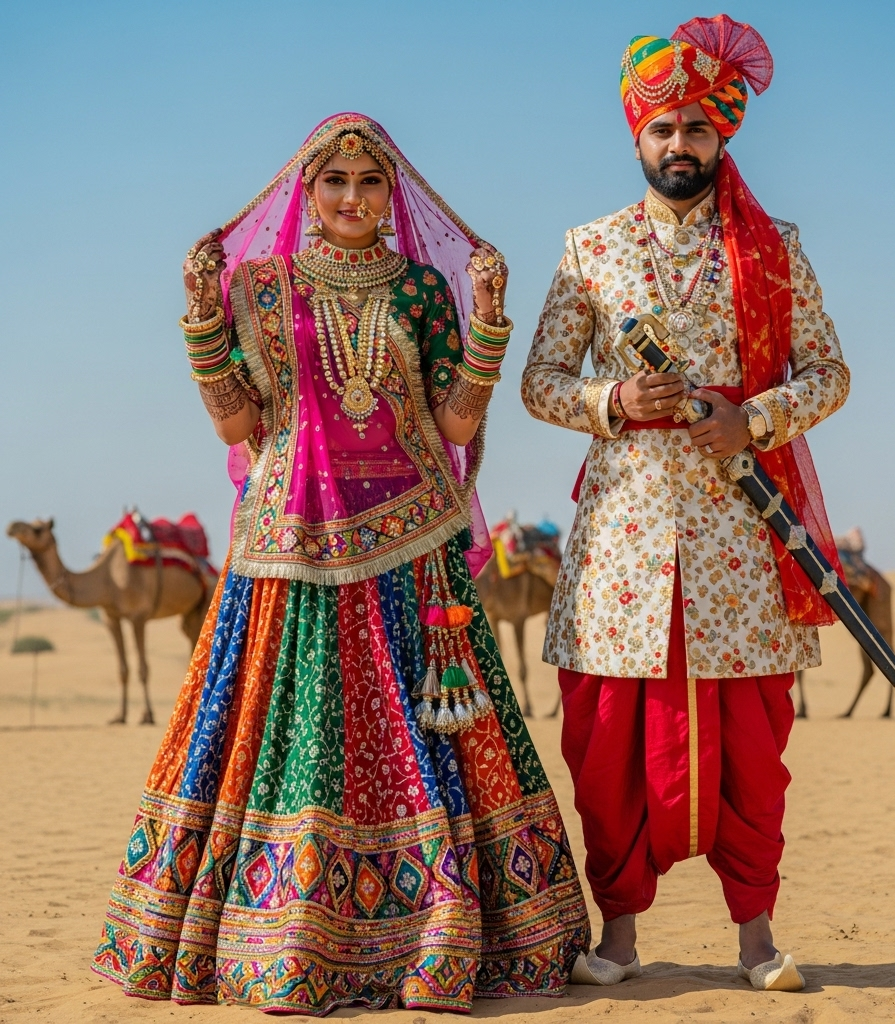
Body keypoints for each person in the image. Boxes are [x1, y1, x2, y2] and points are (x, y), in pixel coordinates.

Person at [93, 113, 589, 1015]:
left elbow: (455, 427)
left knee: (429, 740)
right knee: (295, 736)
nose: (354, 197)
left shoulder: (424, 290)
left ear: (390, 192)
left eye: (370, 180)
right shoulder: (262, 286)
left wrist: (488, 325)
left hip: (413, 550)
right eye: (336, 181)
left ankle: (446, 930)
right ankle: (284, 934)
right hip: (292, 546)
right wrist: (203, 320)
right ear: (307, 192)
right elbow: (238, 425)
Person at [521, 16, 850, 993]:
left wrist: (753, 419)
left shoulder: (775, 249)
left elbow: (829, 373)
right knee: (608, 744)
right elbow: (540, 379)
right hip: (619, 546)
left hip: (742, 542)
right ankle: (618, 939)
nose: (679, 145)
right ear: (637, 137)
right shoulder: (589, 248)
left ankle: (756, 940)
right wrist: (610, 402)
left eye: (697, 129)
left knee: (752, 746)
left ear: (723, 138)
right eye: (662, 129)